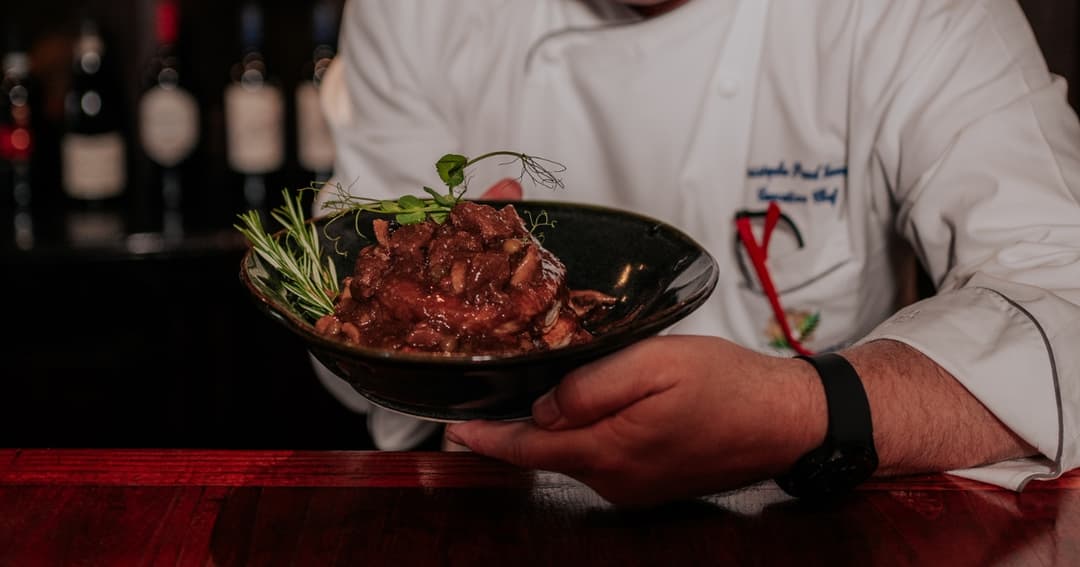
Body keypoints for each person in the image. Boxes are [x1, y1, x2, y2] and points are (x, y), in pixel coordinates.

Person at [311, 0, 1080, 505]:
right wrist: (452, 302)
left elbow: (1063, 290)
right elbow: (341, 289)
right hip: (498, 510)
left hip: (812, 519)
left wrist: (802, 410)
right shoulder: (416, 10)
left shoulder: (904, 14)